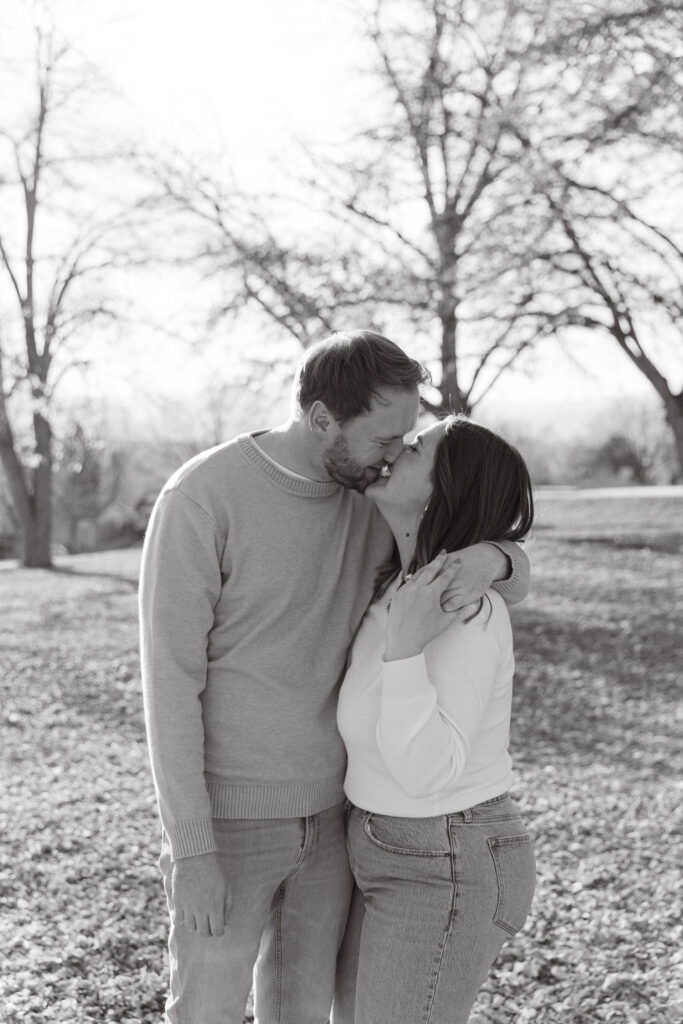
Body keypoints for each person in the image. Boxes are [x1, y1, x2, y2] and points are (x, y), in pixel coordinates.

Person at [139, 331, 530, 1024]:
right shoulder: (202, 497)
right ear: (322, 419)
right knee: (206, 1012)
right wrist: (191, 849)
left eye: (407, 441)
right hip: (230, 825)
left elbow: (462, 526)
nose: (393, 457)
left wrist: (498, 559)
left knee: (301, 1012)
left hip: (335, 822)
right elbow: (168, 686)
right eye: (386, 439)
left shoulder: (368, 496)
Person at [335, 414, 537, 1024]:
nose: (397, 447)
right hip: (380, 849)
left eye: (416, 446)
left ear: (444, 487)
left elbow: (428, 772)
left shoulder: (464, 611)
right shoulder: (398, 585)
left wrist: (406, 651)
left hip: (447, 861)